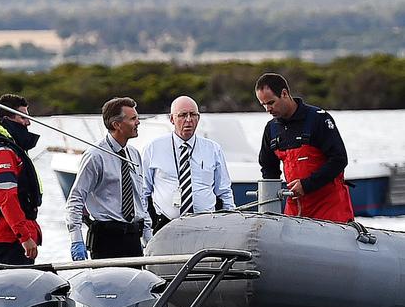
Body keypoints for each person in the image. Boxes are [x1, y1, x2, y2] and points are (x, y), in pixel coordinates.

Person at [255, 73, 354, 223]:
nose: (268, 109)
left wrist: (306, 185)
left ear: (284, 93)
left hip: (329, 208)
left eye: (271, 102)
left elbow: (339, 159)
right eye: (263, 105)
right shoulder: (271, 129)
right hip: (295, 210)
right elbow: (268, 168)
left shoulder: (318, 119)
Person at [65, 97, 152, 260]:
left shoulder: (133, 154)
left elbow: (139, 198)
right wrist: (76, 239)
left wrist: (148, 237)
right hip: (106, 240)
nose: (138, 122)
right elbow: (75, 199)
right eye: (133, 119)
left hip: (133, 238)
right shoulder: (95, 156)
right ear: (117, 125)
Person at [141, 95, 235, 233]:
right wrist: (146, 229)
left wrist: (230, 225)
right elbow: (143, 192)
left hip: (206, 226)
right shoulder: (153, 148)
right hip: (165, 226)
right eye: (183, 115)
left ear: (199, 118)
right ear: (172, 119)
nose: (189, 120)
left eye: (193, 115)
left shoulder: (213, 149)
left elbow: (224, 192)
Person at [0, 94, 42, 265]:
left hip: (13, 238)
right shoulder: (3, 152)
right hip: (7, 240)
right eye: (23, 117)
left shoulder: (12, 148)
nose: (28, 123)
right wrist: (24, 237)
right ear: (7, 119)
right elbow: (6, 198)